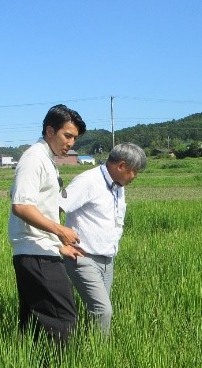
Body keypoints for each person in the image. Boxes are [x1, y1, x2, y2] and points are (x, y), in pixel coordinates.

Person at [9, 104, 86, 346]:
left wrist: (58, 245)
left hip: (40, 250)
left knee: (34, 321)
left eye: (75, 138)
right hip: (36, 254)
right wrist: (61, 231)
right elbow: (22, 206)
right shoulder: (34, 159)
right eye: (67, 135)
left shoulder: (46, 159)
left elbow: (40, 208)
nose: (71, 143)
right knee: (63, 319)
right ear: (50, 131)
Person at [60, 143, 146, 335]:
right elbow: (54, 208)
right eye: (134, 171)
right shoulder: (88, 181)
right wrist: (59, 244)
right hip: (83, 258)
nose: (135, 177)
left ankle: (87, 344)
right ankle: (98, 352)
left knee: (98, 312)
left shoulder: (118, 186)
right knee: (103, 310)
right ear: (121, 166)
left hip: (107, 260)